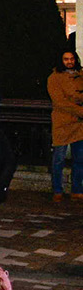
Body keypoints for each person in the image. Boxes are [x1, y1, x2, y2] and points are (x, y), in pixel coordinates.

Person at [46, 49, 83, 201]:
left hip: (79, 124)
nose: (69, 62)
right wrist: (80, 109)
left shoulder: (80, 75)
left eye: (72, 59)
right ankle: (57, 189)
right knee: (59, 159)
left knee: (79, 158)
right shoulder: (54, 78)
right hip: (63, 122)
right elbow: (59, 101)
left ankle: (77, 189)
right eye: (66, 59)